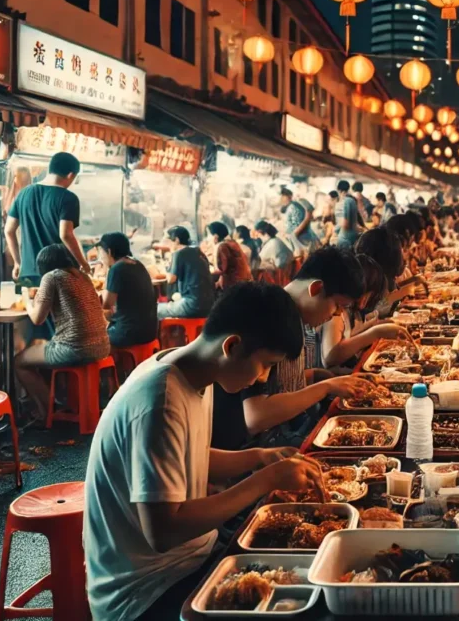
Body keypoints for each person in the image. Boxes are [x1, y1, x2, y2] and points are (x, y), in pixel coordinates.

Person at [83, 282, 326, 621]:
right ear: (232, 345)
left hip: (195, 556)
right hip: (147, 592)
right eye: (265, 365)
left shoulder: (194, 373)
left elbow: (191, 458)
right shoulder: (159, 401)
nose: (262, 379)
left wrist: (259, 458)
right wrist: (263, 481)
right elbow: (163, 532)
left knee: (314, 572)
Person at [210, 247, 372, 450]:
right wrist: (325, 388)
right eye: (338, 305)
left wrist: (325, 377)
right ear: (316, 289)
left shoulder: (296, 318)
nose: (337, 314)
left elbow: (281, 384)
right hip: (255, 448)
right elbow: (256, 416)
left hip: (283, 435)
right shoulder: (270, 316)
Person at [16, 244, 111, 421]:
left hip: (74, 349)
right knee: (37, 343)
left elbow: (37, 318)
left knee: (19, 361)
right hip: (102, 346)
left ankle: (46, 412)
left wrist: (27, 300)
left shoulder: (52, 277)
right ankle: (53, 403)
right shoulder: (82, 276)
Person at [4, 152, 88, 284]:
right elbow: (66, 234)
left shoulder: (23, 194)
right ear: (71, 175)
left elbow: (8, 230)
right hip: (58, 272)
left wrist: (18, 262)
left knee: (34, 304)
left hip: (28, 272)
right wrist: (83, 263)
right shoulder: (68, 198)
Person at [320, 254, 410, 369]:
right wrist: (376, 332)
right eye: (370, 295)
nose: (366, 301)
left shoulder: (351, 311)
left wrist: (376, 325)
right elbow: (330, 357)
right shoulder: (336, 312)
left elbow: (350, 337)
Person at [97, 232, 158, 349]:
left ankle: (119, 366)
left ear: (109, 252)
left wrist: (107, 271)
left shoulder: (116, 269)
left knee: (96, 337)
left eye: (101, 253)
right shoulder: (137, 264)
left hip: (130, 334)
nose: (101, 258)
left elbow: (106, 304)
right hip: (150, 331)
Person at [159, 226, 214, 320]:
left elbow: (170, 279)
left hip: (191, 305)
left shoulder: (178, 253)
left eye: (167, 240)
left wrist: (169, 260)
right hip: (208, 304)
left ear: (176, 240)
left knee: (157, 309)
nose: (164, 243)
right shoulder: (198, 251)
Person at [206, 221, 252, 290]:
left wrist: (206, 271)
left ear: (215, 236)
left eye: (208, 235)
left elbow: (220, 269)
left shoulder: (222, 246)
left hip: (234, 286)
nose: (207, 238)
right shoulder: (232, 243)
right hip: (243, 282)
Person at [278, 188, 319, 258]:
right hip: (300, 239)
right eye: (281, 196)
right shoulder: (291, 206)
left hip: (303, 240)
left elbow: (297, 225)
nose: (281, 199)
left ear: (290, 197)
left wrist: (291, 235)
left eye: (283, 196)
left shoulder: (292, 207)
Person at [333, 180, 363, 250]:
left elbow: (345, 224)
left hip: (345, 239)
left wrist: (335, 230)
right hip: (350, 238)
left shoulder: (345, 202)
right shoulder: (350, 200)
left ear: (338, 189)